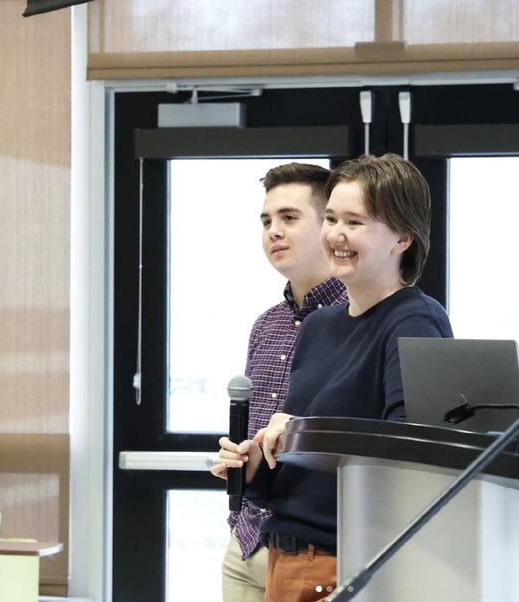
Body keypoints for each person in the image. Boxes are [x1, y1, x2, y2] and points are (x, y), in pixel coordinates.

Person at [212, 153, 453, 602]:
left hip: (348, 561)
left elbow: (413, 458)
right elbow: (295, 469)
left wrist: (303, 433)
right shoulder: (320, 326)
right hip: (282, 556)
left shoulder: (416, 320)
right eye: (331, 219)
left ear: (403, 237)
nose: (336, 236)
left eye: (355, 223)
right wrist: (254, 466)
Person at [217, 162, 348, 602]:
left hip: (319, 551)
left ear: (330, 226)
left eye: (290, 218)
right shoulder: (266, 324)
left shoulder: (361, 319)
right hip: (247, 539)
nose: (274, 231)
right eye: (267, 221)